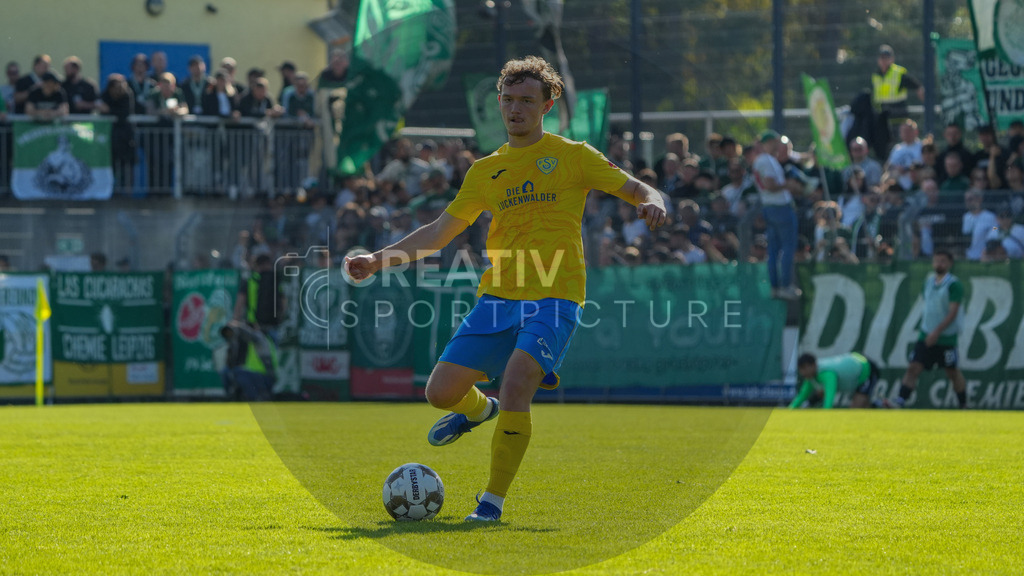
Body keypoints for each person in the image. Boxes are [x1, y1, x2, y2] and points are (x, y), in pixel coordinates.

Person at [345, 56, 667, 522]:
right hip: (497, 298)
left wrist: (653, 200)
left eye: (527, 101)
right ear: (499, 103)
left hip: (556, 296)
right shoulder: (485, 171)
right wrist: (377, 260)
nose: (516, 109)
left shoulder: (575, 156)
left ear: (547, 105)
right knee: (439, 392)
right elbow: (439, 233)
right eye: (509, 100)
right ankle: (478, 411)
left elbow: (638, 189)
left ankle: (490, 504)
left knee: (518, 382)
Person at [890, 250, 968, 409]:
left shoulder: (954, 284)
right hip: (926, 335)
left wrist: (937, 332)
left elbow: (953, 312)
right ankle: (900, 401)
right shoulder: (928, 282)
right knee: (913, 368)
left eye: (943, 261)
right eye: (937, 260)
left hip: (946, 337)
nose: (939, 264)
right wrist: (929, 331)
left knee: (952, 372)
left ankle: (963, 405)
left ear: (949, 264)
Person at [752, 129, 799, 300]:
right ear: (770, 142)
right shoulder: (766, 160)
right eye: (776, 142)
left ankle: (776, 287)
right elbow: (770, 185)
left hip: (770, 207)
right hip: (779, 207)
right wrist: (789, 185)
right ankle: (785, 285)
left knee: (773, 250)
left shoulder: (764, 160)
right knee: (787, 247)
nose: (778, 146)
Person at [871, 44, 924, 141]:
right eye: (882, 58)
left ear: (892, 59)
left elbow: (915, 84)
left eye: (886, 58)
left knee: (899, 141)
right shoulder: (875, 75)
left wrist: (920, 89)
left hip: (898, 116)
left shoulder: (898, 73)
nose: (884, 61)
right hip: (883, 116)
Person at [790, 352, 881, 409]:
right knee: (820, 391)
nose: (802, 372)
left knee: (856, 409)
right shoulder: (811, 376)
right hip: (856, 361)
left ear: (813, 365)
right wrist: (789, 410)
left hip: (867, 369)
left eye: (804, 368)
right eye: (800, 369)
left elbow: (830, 396)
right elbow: (802, 395)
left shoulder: (827, 374)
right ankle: (875, 406)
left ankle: (879, 406)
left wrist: (826, 415)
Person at [219, 320, 278, 401]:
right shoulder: (240, 343)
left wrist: (238, 325)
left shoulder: (260, 339)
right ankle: (232, 398)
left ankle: (255, 398)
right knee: (226, 372)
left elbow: (250, 334)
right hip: (254, 375)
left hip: (266, 375)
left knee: (239, 373)